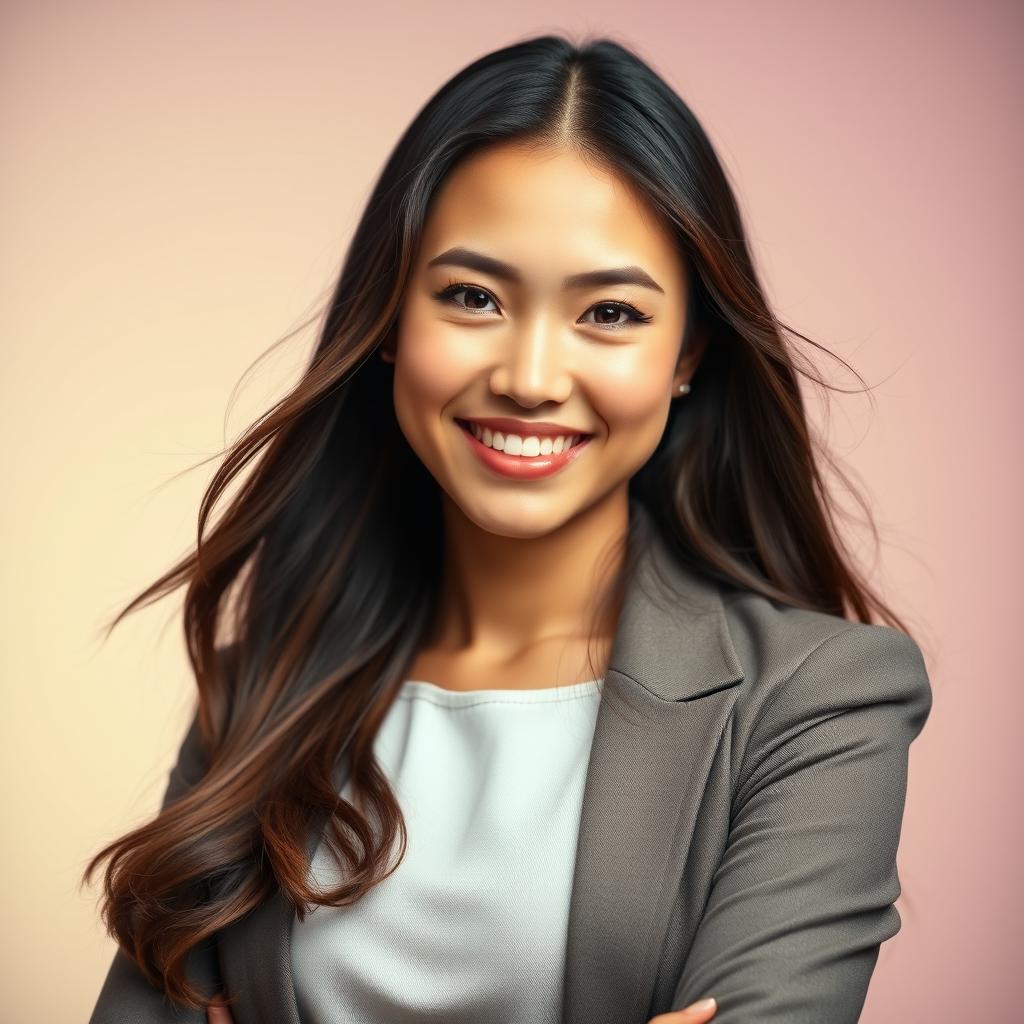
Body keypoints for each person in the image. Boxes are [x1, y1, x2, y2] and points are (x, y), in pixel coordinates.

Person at [85, 34, 932, 1024]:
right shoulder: (260, 686)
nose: (530, 377)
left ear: (687, 353)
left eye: (609, 312)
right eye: (472, 297)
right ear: (392, 316)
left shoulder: (821, 701)